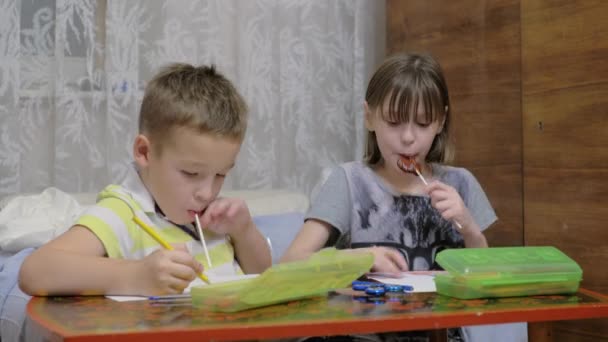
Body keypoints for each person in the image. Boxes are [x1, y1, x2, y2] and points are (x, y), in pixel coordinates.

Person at [281, 53, 496, 341]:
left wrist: (469, 227)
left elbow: (487, 282)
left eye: (422, 123)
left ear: (441, 121)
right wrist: (361, 257)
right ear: (369, 116)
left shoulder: (462, 183)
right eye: (394, 122)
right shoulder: (348, 181)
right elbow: (289, 264)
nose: (408, 137)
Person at [19, 63, 272, 296]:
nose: (207, 193)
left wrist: (244, 232)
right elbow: (35, 271)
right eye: (191, 173)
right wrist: (137, 275)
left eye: (221, 175)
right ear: (144, 152)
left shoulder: (217, 218)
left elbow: (263, 276)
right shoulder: (125, 212)